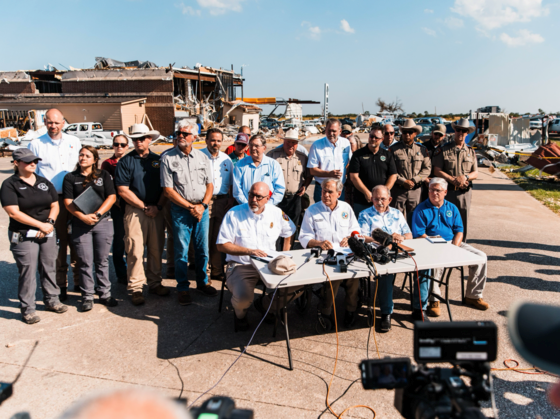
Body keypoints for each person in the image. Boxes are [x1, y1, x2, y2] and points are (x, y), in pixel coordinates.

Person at [217, 182, 296, 331]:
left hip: (270, 264)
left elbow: (290, 230)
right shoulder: (234, 214)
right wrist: (248, 251)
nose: (254, 199)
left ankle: (266, 305)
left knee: (297, 287)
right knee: (243, 298)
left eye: (259, 197)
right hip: (242, 265)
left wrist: (285, 254)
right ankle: (240, 315)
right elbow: (221, 245)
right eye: (251, 195)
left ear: (268, 197)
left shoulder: (276, 212)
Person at [0, 148, 68, 324]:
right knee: (28, 271)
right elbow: (13, 212)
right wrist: (40, 225)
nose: (33, 164)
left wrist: (50, 224)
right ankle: (28, 309)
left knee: (49, 266)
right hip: (24, 234)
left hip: (47, 231)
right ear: (16, 163)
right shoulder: (10, 184)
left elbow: (55, 205)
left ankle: (52, 300)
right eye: (28, 161)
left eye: (35, 161)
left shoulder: (44, 182)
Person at [411, 177, 489, 321]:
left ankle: (473, 295)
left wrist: (455, 247)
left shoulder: (452, 208)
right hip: (431, 245)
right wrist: (437, 245)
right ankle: (434, 299)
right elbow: (419, 235)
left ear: (445, 192)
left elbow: (459, 230)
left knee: (481, 257)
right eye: (431, 190)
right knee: (434, 264)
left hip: (453, 243)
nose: (434, 193)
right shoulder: (421, 209)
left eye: (438, 190)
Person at [161, 121, 217, 306]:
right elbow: (168, 190)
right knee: (181, 251)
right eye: (179, 133)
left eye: (185, 134)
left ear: (194, 137)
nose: (181, 136)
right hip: (181, 210)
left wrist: (202, 205)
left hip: (202, 208)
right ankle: (183, 287)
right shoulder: (168, 158)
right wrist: (190, 207)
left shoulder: (202, 158)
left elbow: (210, 185)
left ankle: (202, 282)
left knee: (203, 249)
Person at [28, 108, 81, 300]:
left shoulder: (74, 142)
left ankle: (79, 281)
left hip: (74, 199)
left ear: (63, 123)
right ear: (45, 122)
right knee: (58, 245)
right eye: (50, 122)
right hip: (52, 201)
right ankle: (61, 284)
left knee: (77, 241)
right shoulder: (36, 144)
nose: (53, 126)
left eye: (57, 122)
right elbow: (30, 174)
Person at [115, 124, 169, 306]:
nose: (138, 141)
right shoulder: (125, 161)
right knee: (135, 250)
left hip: (157, 210)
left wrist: (159, 207)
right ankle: (136, 288)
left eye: (141, 138)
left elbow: (166, 187)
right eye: (135, 139)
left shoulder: (158, 160)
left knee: (156, 249)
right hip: (135, 210)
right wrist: (144, 207)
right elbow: (122, 190)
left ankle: (155, 283)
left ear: (149, 139)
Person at [299, 179, 361, 328]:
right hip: (324, 257)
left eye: (330, 192)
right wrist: (318, 243)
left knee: (355, 277)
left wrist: (350, 238)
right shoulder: (312, 211)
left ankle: (350, 310)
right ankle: (325, 312)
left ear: (339, 194)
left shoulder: (346, 208)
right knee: (334, 278)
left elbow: (356, 231)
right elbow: (304, 237)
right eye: (323, 191)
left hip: (346, 255)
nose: (325, 195)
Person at [63, 146, 117, 311]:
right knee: (85, 261)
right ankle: (87, 296)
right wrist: (83, 217)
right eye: (81, 155)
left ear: (95, 159)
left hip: (103, 222)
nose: (83, 158)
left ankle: (104, 293)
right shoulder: (70, 178)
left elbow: (111, 196)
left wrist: (99, 214)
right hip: (81, 224)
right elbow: (68, 202)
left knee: (102, 260)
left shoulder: (103, 175)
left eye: (87, 155)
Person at [358, 185, 412, 332]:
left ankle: (421, 308)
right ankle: (386, 313)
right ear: (371, 199)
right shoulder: (365, 214)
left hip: (398, 251)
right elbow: (362, 237)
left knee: (424, 268)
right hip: (378, 253)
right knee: (386, 274)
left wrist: (400, 237)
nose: (379, 202)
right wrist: (383, 240)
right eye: (376, 199)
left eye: (383, 199)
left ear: (390, 199)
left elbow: (409, 235)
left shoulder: (397, 213)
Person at [433, 118, 478, 240]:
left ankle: (462, 246)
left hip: (464, 193)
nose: (461, 133)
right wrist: (451, 179)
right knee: (446, 219)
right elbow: (436, 170)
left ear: (467, 133)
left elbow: (475, 172)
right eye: (458, 130)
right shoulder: (444, 150)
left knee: (463, 222)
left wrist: (465, 177)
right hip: (449, 192)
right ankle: (446, 245)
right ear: (454, 131)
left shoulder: (470, 152)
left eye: (464, 131)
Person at [266, 128, 311, 249]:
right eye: (288, 142)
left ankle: (287, 254)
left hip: (295, 198)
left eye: (294, 142)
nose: (291, 145)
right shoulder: (272, 155)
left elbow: (308, 175)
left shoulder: (302, 157)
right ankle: (274, 252)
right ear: (283, 141)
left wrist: (305, 186)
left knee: (291, 228)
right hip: (276, 199)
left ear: (297, 144)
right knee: (275, 226)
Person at [200, 128, 234, 281]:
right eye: (213, 140)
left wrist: (230, 199)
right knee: (203, 238)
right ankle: (204, 272)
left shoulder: (226, 159)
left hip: (221, 201)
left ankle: (216, 270)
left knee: (218, 238)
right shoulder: (198, 156)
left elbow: (231, 183)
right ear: (206, 140)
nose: (216, 143)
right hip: (204, 202)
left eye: (219, 140)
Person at [348, 125, 398, 217]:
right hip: (362, 200)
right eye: (371, 136)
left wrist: (384, 192)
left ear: (382, 139)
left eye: (376, 137)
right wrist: (367, 193)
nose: (373, 139)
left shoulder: (387, 155)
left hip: (381, 201)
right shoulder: (358, 154)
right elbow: (354, 177)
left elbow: (393, 175)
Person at [390, 119, 431, 226]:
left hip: (415, 190)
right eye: (405, 132)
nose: (407, 134)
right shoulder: (393, 150)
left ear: (415, 133)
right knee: (395, 219)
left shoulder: (422, 149)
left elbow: (427, 169)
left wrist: (414, 180)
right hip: (398, 190)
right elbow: (390, 169)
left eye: (410, 132)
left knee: (415, 219)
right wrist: (403, 181)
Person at [101, 135, 129, 284]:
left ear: (127, 146)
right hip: (118, 207)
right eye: (116, 144)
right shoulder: (107, 164)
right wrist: (118, 202)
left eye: (123, 144)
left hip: (132, 205)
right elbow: (107, 187)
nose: (119, 147)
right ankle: (121, 273)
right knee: (119, 240)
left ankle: (133, 271)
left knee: (133, 241)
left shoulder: (131, 160)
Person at [307, 118, 352, 204]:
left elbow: (349, 163)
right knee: (320, 214)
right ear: (325, 130)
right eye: (328, 131)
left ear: (340, 131)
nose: (331, 134)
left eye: (334, 131)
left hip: (339, 188)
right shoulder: (316, 145)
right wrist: (329, 174)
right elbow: (312, 170)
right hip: (322, 188)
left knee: (337, 214)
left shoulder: (346, 143)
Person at [233, 135, 285, 205]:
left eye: (256, 145)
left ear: (264, 148)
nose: (253, 148)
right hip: (246, 207)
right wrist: (247, 205)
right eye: (251, 145)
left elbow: (279, 189)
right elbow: (237, 190)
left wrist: (267, 206)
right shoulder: (240, 164)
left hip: (267, 209)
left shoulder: (273, 165)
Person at [421, 124, 448, 202]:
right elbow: (417, 166)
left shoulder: (446, 148)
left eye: (440, 135)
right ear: (432, 133)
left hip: (441, 184)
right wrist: (424, 178)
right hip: (425, 183)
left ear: (444, 135)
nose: (437, 136)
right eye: (436, 134)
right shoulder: (423, 147)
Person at [340, 124, 362, 208]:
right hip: (345, 187)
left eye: (347, 133)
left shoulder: (360, 157)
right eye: (343, 133)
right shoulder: (341, 152)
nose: (345, 135)